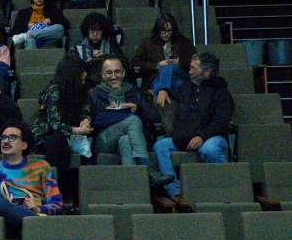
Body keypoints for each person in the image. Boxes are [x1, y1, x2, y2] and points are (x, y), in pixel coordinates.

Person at [153, 52, 234, 197]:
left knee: (210, 149)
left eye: (193, 69)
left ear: (207, 72)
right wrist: (162, 90)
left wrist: (201, 136)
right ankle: (175, 193)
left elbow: (221, 121)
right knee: (160, 146)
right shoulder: (186, 87)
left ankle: (227, 188)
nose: (189, 72)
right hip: (185, 136)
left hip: (211, 136)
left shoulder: (221, 92)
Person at [89, 57, 172, 189]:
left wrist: (138, 110)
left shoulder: (136, 92)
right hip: (105, 140)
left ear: (123, 73)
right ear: (102, 75)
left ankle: (133, 192)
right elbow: (95, 120)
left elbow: (155, 118)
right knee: (132, 120)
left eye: (117, 72)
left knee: (126, 140)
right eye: (109, 72)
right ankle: (147, 167)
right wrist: (126, 114)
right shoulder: (94, 93)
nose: (113, 76)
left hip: (132, 138)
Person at [30, 58, 91, 203]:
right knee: (59, 141)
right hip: (47, 136)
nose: (85, 74)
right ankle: (53, 194)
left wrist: (86, 120)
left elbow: (85, 109)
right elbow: (54, 124)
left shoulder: (80, 89)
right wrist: (75, 130)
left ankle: (64, 195)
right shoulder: (54, 90)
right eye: (82, 71)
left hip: (68, 136)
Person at [0, 125, 62, 228]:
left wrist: (38, 208)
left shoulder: (42, 167)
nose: (6, 141)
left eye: (12, 137)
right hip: (4, 225)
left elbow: (56, 203)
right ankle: (37, 225)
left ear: (24, 145)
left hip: (33, 215)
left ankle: (34, 223)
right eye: (3, 138)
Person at [132, 12, 194, 91]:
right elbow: (136, 63)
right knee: (178, 83)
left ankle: (162, 91)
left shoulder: (184, 42)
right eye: (163, 31)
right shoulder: (147, 43)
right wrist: (158, 65)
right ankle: (164, 91)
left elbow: (194, 60)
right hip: (157, 76)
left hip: (178, 74)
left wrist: (180, 62)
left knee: (170, 68)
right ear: (157, 30)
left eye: (169, 31)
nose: (166, 34)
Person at [73, 12, 131, 87]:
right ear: (87, 31)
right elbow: (70, 65)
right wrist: (84, 63)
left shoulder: (112, 45)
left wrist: (105, 57)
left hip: (108, 79)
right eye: (92, 30)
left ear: (103, 31)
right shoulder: (78, 46)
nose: (95, 34)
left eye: (98, 30)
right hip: (86, 81)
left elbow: (124, 64)